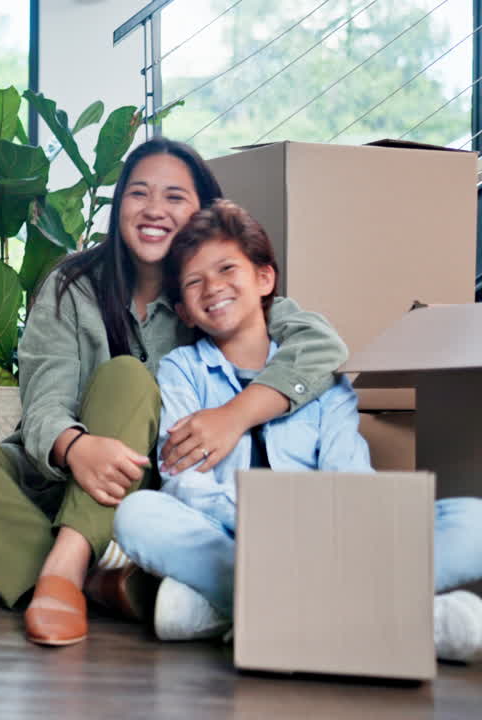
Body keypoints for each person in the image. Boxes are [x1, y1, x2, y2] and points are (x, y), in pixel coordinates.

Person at [0, 137, 349, 647]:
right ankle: (96, 582)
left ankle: (64, 567)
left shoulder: (217, 289)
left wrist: (234, 415)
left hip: (147, 491)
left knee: (126, 376)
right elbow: (46, 401)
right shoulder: (70, 284)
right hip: (53, 479)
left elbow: (322, 344)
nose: (154, 209)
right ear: (120, 207)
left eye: (175, 198)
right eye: (139, 194)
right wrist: (76, 446)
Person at [112, 199, 482, 661]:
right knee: (138, 514)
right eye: (194, 282)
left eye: (228, 269)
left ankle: (238, 611)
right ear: (185, 310)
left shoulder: (320, 373)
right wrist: (265, 526)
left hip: (334, 542)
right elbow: (182, 476)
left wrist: (318, 529)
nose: (213, 287)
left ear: (264, 278)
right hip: (237, 540)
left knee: (474, 522)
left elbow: (348, 472)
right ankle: (396, 619)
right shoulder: (182, 370)